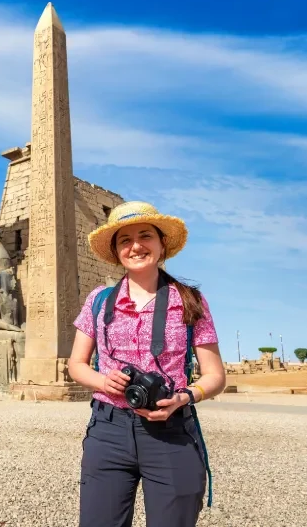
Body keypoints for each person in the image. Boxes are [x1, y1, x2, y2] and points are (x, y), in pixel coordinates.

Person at [68, 201, 225, 527]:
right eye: (125, 240)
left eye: (145, 236)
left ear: (161, 243)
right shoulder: (98, 300)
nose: (136, 246)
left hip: (172, 432)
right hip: (108, 432)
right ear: (116, 250)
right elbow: (77, 365)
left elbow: (215, 376)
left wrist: (183, 397)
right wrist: (102, 381)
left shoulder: (189, 301)